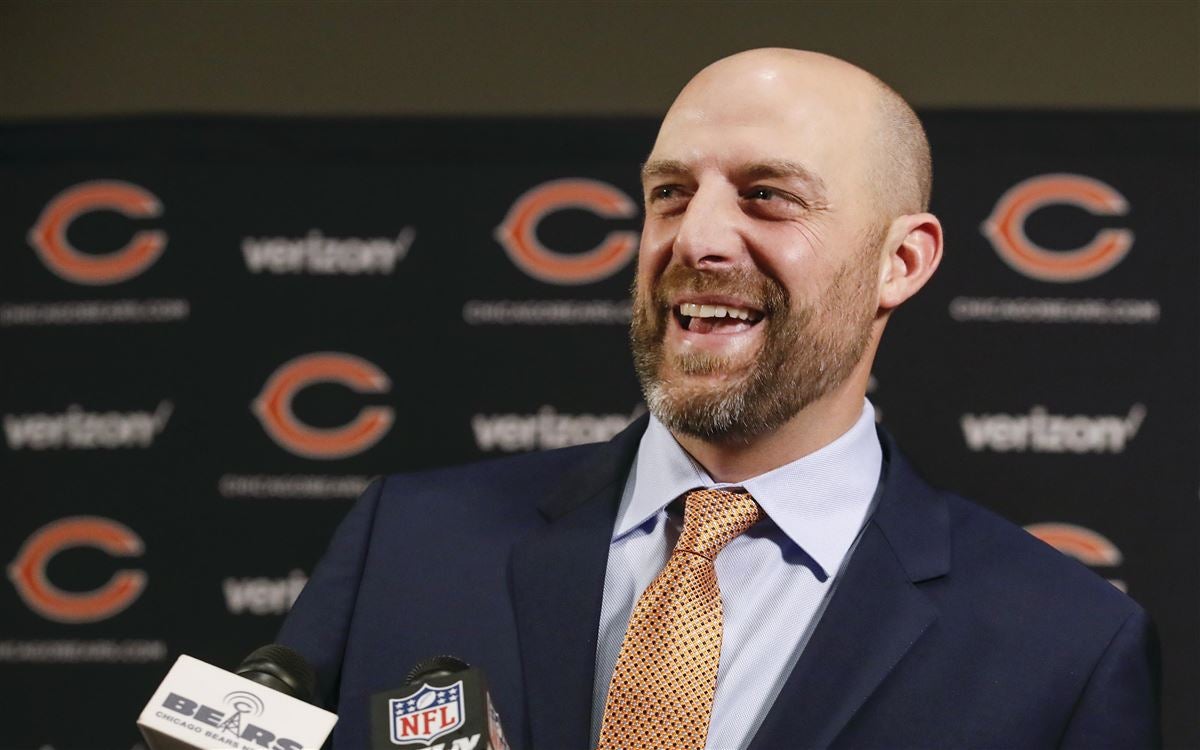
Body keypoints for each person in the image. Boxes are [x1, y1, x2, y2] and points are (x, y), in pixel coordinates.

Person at [278, 48, 1160, 749]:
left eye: (767, 197)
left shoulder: (1063, 648)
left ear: (903, 262)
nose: (695, 237)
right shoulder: (409, 540)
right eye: (669, 194)